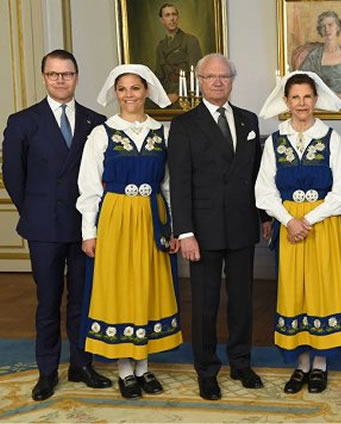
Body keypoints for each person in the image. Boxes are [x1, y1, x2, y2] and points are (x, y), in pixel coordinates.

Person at [2, 49, 112, 401]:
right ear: (44, 77)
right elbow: (13, 175)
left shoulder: (96, 122)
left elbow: (103, 175)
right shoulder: (22, 121)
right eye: (54, 74)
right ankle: (47, 371)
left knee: (82, 301)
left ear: (77, 77)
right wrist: (35, 211)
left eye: (67, 74)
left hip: (85, 228)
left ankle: (82, 364)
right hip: (44, 228)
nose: (60, 80)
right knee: (48, 301)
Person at [168, 53, 271, 401]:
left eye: (224, 77)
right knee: (205, 304)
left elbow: (257, 175)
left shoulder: (248, 120)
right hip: (202, 231)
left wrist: (265, 217)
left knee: (242, 301)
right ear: (199, 81)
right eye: (210, 77)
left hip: (242, 226)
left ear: (232, 81)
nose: (217, 82)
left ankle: (241, 364)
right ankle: (207, 370)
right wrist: (184, 232)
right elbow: (179, 183)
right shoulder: (183, 126)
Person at [77, 64, 182, 399]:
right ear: (115, 93)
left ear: (146, 91)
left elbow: (168, 184)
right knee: (121, 288)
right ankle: (126, 370)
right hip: (116, 218)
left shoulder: (162, 132)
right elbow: (89, 186)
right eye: (122, 89)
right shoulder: (102, 133)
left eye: (135, 88)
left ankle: (144, 366)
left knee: (148, 286)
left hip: (152, 216)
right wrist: (88, 232)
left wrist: (175, 227)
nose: (129, 95)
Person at [255, 71, 341, 394]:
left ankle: (320, 363)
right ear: (286, 101)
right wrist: (289, 220)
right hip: (290, 227)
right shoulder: (275, 141)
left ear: (316, 100)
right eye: (295, 97)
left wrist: (307, 220)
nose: (301, 103)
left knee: (323, 290)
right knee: (295, 291)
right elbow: (264, 190)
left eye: (307, 96)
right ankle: (301, 364)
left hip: (323, 225)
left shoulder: (331, 139)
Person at [298, 10, 341, 110]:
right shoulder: (314, 56)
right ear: (320, 30)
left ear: (338, 27)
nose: (327, 29)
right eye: (323, 26)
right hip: (324, 102)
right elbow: (302, 81)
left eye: (330, 25)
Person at [155, 2, 202, 103]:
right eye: (167, 15)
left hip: (186, 94)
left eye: (174, 14)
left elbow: (197, 72)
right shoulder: (161, 46)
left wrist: (178, 94)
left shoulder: (190, 40)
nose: (172, 18)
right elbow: (159, 75)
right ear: (162, 20)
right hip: (166, 93)